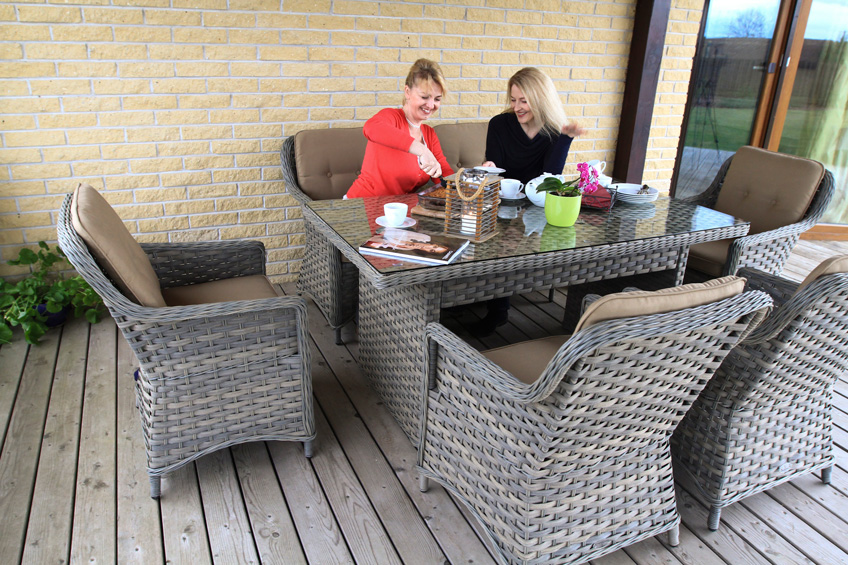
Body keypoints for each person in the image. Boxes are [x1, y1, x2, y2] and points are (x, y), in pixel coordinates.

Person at [474, 67, 585, 337]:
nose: (517, 107)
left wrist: (565, 139)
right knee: (503, 238)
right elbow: (496, 167)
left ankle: (502, 308)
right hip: (503, 203)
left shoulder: (553, 131)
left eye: (524, 101)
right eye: (513, 100)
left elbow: (550, 177)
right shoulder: (500, 124)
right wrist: (489, 166)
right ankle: (496, 309)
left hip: (535, 206)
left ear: (540, 98)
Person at [345, 59, 454, 198]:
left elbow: (444, 174)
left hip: (399, 208)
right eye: (424, 97)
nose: (431, 105)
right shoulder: (391, 118)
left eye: (437, 99)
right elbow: (370, 127)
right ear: (407, 92)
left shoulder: (429, 134)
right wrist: (422, 151)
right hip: (362, 204)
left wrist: (463, 188)